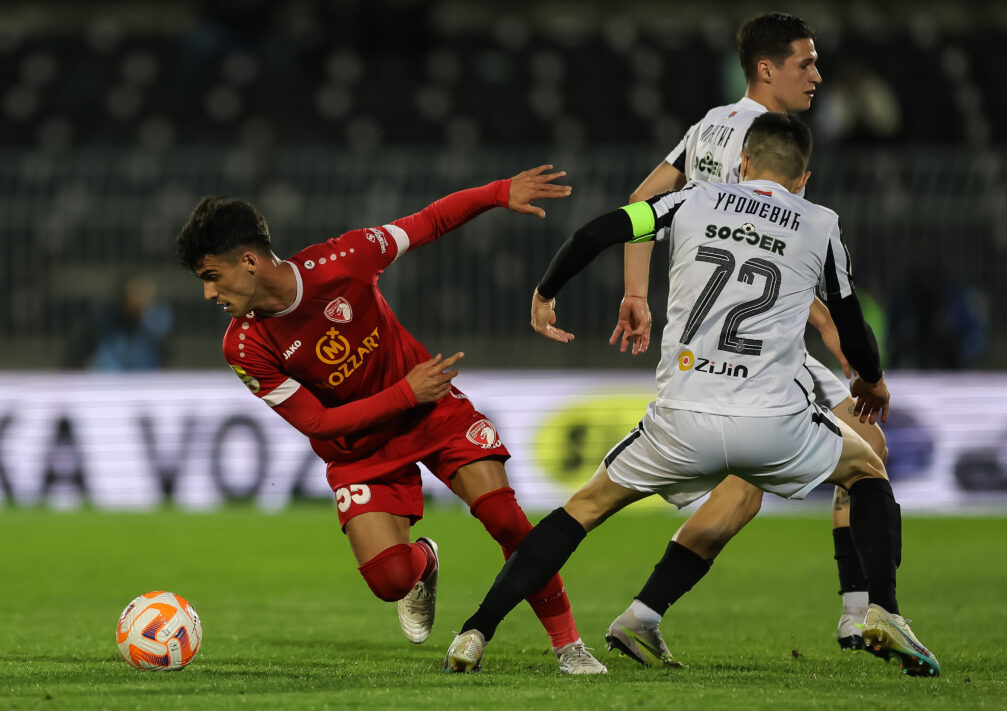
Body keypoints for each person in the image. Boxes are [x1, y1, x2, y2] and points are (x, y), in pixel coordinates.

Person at [444, 113, 939, 678]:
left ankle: (475, 632)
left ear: (744, 163)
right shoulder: (820, 223)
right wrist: (871, 380)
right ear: (804, 178)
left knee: (582, 509)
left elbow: (594, 234)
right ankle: (879, 609)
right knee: (867, 471)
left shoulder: (689, 201)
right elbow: (850, 321)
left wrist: (546, 290)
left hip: (683, 418)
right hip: (772, 421)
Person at [174, 165, 607, 675]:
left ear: (247, 261)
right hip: (361, 450)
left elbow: (429, 221)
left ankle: (569, 645)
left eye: (211, 277)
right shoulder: (244, 345)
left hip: (432, 413)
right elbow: (317, 422)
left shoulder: (344, 260)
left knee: (505, 519)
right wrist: (405, 392)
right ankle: (424, 562)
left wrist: (497, 193)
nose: (208, 295)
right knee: (389, 580)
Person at [605, 12, 889, 661]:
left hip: (710, 337)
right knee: (864, 437)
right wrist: (827, 325)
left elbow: (641, 201)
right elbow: (755, 243)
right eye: (807, 63)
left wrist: (635, 291)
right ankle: (860, 613)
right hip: (750, 341)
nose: (818, 76)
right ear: (769, 69)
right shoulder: (752, 144)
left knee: (743, 493)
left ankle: (642, 613)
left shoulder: (708, 125)